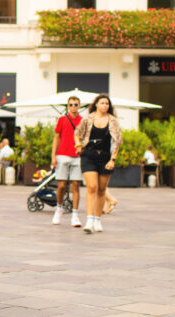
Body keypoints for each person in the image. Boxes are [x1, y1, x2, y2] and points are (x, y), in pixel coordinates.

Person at [74, 94, 123, 234]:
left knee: (101, 189)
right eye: (102, 103)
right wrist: (78, 144)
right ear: (96, 104)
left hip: (106, 157)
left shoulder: (113, 121)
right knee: (92, 187)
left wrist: (113, 159)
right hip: (89, 155)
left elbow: (117, 142)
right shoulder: (88, 119)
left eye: (107, 103)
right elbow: (77, 133)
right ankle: (89, 220)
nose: (105, 106)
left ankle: (97, 219)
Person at [51, 95, 84, 228]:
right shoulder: (62, 120)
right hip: (63, 154)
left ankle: (75, 215)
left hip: (77, 156)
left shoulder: (83, 121)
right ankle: (59, 208)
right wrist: (53, 156)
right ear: (67, 106)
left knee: (75, 185)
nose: (73, 107)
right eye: (71, 104)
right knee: (62, 186)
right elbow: (56, 138)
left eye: (76, 104)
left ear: (79, 106)